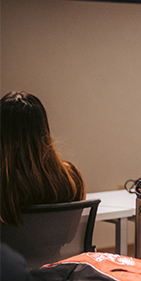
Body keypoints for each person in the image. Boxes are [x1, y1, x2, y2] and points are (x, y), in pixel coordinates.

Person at [0, 91, 86, 226]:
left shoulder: (6, 183)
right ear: (43, 128)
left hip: (8, 247)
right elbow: (70, 233)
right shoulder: (70, 176)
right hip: (56, 247)